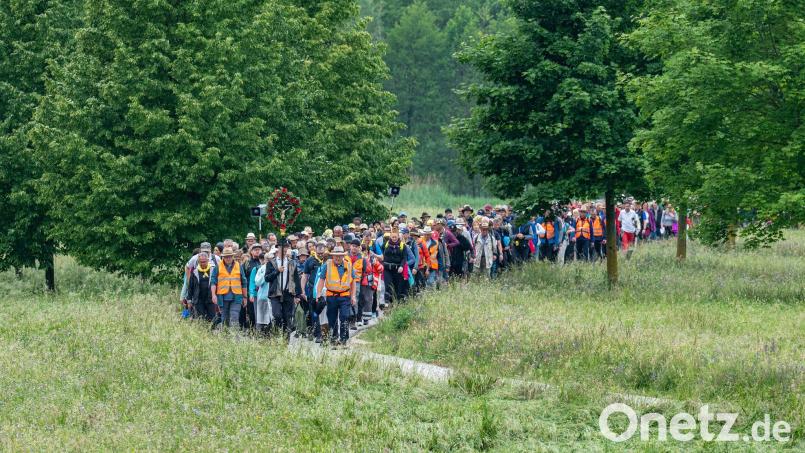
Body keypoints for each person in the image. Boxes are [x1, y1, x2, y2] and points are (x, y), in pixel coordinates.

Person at [316, 245, 357, 346]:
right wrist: (318, 294)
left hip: (345, 295)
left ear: (343, 256)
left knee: (345, 316)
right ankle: (334, 338)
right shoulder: (327, 265)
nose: (337, 258)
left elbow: (353, 282)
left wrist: (353, 296)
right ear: (332, 256)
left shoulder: (349, 265)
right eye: (335, 256)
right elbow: (321, 280)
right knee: (332, 318)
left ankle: (343, 339)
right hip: (331, 296)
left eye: (339, 256)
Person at [265, 244, 302, 338]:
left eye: (286, 248)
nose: (284, 249)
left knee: (287, 317)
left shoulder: (292, 262)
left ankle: (286, 339)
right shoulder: (271, 263)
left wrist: (298, 295)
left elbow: (296, 279)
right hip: (275, 293)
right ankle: (277, 333)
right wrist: (277, 271)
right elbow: (267, 278)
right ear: (278, 249)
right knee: (277, 315)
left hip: (288, 293)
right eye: (282, 247)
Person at [210, 247, 247, 328]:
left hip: (236, 296)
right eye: (226, 257)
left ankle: (235, 338)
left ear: (232, 256)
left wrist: (245, 297)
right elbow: (213, 282)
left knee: (234, 316)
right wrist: (213, 295)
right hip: (222, 297)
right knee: (224, 318)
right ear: (223, 257)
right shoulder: (218, 267)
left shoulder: (239, 266)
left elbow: (243, 282)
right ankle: (225, 337)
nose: (228, 258)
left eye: (229, 256)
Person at [186, 250, 218, 324]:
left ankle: (212, 333)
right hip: (199, 299)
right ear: (198, 262)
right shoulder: (195, 272)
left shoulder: (214, 270)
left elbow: (217, 284)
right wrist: (189, 300)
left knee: (212, 319)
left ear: (208, 260)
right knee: (201, 319)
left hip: (210, 299)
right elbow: (190, 286)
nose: (203, 263)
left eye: (204, 261)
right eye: (201, 262)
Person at [379, 228, 406, 305]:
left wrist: (401, 266)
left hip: (398, 269)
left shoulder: (402, 246)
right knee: (388, 285)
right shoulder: (385, 245)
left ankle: (396, 303)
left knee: (397, 287)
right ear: (390, 237)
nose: (394, 238)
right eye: (393, 237)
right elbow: (382, 255)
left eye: (395, 237)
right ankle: (387, 302)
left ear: (398, 237)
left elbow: (404, 258)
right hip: (387, 269)